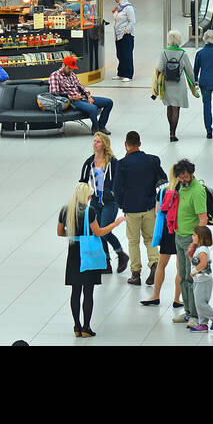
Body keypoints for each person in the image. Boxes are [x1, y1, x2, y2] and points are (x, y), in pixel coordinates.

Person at [57, 182, 125, 339]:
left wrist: (75, 233)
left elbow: (60, 232)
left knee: (75, 291)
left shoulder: (65, 210)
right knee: (88, 292)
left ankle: (76, 326)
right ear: (86, 196)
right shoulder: (89, 211)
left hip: (73, 253)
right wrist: (115, 223)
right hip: (88, 254)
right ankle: (86, 327)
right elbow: (99, 232)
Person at [114, 131, 164, 287]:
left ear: (125, 144)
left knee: (133, 241)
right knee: (150, 239)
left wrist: (122, 205)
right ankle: (154, 264)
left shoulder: (121, 164)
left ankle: (136, 274)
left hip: (132, 208)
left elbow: (117, 188)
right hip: (149, 206)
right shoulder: (152, 160)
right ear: (140, 144)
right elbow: (163, 180)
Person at [78, 132, 128, 273]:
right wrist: (84, 196)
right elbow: (82, 181)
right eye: (94, 141)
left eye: (98, 141)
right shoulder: (89, 162)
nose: (95, 144)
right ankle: (106, 261)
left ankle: (120, 254)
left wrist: (113, 194)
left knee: (105, 231)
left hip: (110, 202)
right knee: (97, 232)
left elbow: (119, 181)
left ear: (104, 144)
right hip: (95, 201)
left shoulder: (113, 162)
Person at [168, 160, 209, 327]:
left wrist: (195, 242)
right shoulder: (181, 187)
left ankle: (195, 315)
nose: (183, 180)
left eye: (185, 177)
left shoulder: (197, 191)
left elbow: (203, 218)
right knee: (183, 277)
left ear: (191, 174)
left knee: (191, 278)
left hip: (190, 240)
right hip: (179, 236)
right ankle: (188, 311)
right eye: (180, 177)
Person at [140, 181, 182, 308]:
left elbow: (158, 210)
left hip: (166, 229)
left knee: (161, 264)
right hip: (181, 229)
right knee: (180, 267)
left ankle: (155, 296)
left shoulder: (163, 191)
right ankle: (177, 299)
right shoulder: (185, 190)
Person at [153, 30, 199, 143]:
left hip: (167, 84)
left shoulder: (164, 52)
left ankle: (170, 131)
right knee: (176, 108)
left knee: (169, 106)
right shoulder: (183, 53)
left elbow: (159, 68)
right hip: (179, 84)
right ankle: (173, 133)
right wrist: (194, 83)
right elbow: (189, 71)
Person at [50, 55, 113, 135]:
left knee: (109, 102)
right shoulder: (55, 75)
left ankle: (101, 126)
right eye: (69, 68)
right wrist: (73, 97)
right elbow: (54, 93)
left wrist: (89, 96)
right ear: (63, 65)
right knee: (93, 108)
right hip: (71, 101)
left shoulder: (72, 74)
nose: (71, 70)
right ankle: (96, 128)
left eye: (72, 68)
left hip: (82, 98)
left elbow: (81, 87)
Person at [186, 226, 213, 332]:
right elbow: (196, 261)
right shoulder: (198, 249)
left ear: (200, 237)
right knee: (198, 302)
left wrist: (194, 271)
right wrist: (190, 255)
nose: (192, 236)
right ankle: (203, 324)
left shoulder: (202, 250)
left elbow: (203, 264)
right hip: (199, 280)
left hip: (203, 280)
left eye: (194, 235)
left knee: (200, 303)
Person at [111, 0, 135, 81]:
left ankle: (128, 74)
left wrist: (127, 29)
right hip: (118, 35)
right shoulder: (119, 7)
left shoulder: (128, 8)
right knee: (120, 54)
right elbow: (117, 17)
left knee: (126, 54)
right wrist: (114, 12)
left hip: (126, 35)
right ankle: (120, 73)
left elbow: (132, 21)